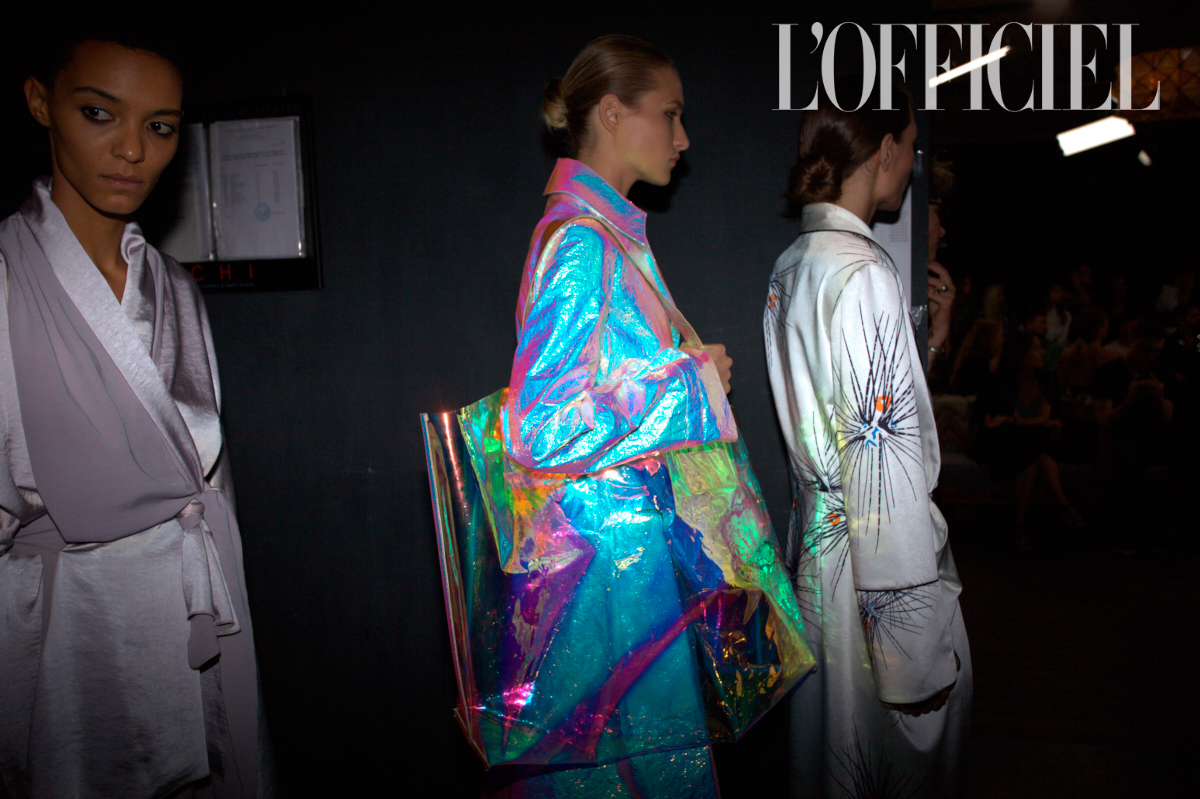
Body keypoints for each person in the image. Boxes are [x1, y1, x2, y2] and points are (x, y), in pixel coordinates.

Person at [0, 29, 270, 798]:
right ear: (40, 102)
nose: (132, 151)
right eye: (99, 113)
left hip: (192, 623)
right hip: (67, 642)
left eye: (159, 126)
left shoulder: (174, 287)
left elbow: (212, 483)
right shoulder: (7, 281)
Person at [494, 35, 736, 798]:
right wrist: (692, 387)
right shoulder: (582, 242)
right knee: (626, 766)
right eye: (670, 114)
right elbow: (542, 425)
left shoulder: (602, 235)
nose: (682, 137)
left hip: (618, 551)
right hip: (604, 563)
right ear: (610, 111)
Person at [763, 86, 971, 797]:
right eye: (909, 146)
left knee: (830, 748)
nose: (911, 164)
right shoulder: (862, 268)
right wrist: (912, 652)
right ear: (884, 149)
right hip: (871, 557)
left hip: (821, 551)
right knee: (885, 754)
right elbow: (882, 464)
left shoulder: (795, 260)